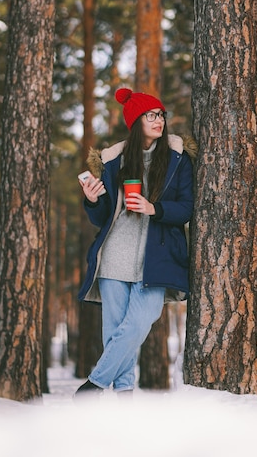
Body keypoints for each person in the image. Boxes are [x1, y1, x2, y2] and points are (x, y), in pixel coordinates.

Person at [75, 88, 196, 397]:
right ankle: (124, 396)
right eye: (151, 115)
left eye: (161, 115)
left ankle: (95, 384)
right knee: (115, 331)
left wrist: (155, 209)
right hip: (114, 255)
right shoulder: (114, 162)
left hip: (157, 257)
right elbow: (103, 217)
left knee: (140, 323)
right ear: (136, 121)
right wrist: (92, 200)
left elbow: (188, 206)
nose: (159, 121)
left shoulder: (178, 160)